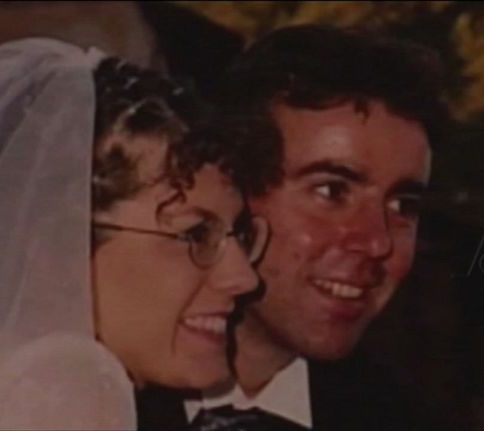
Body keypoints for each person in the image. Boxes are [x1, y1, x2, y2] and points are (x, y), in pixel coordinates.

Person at [0, 38, 270, 430]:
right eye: (194, 235)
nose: (244, 277)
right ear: (58, 253)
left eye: (240, 234)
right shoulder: (65, 388)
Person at [183, 25, 446, 430]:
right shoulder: (94, 390)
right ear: (229, 189)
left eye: (403, 206)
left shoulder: (405, 419)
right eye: (331, 191)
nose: (377, 242)